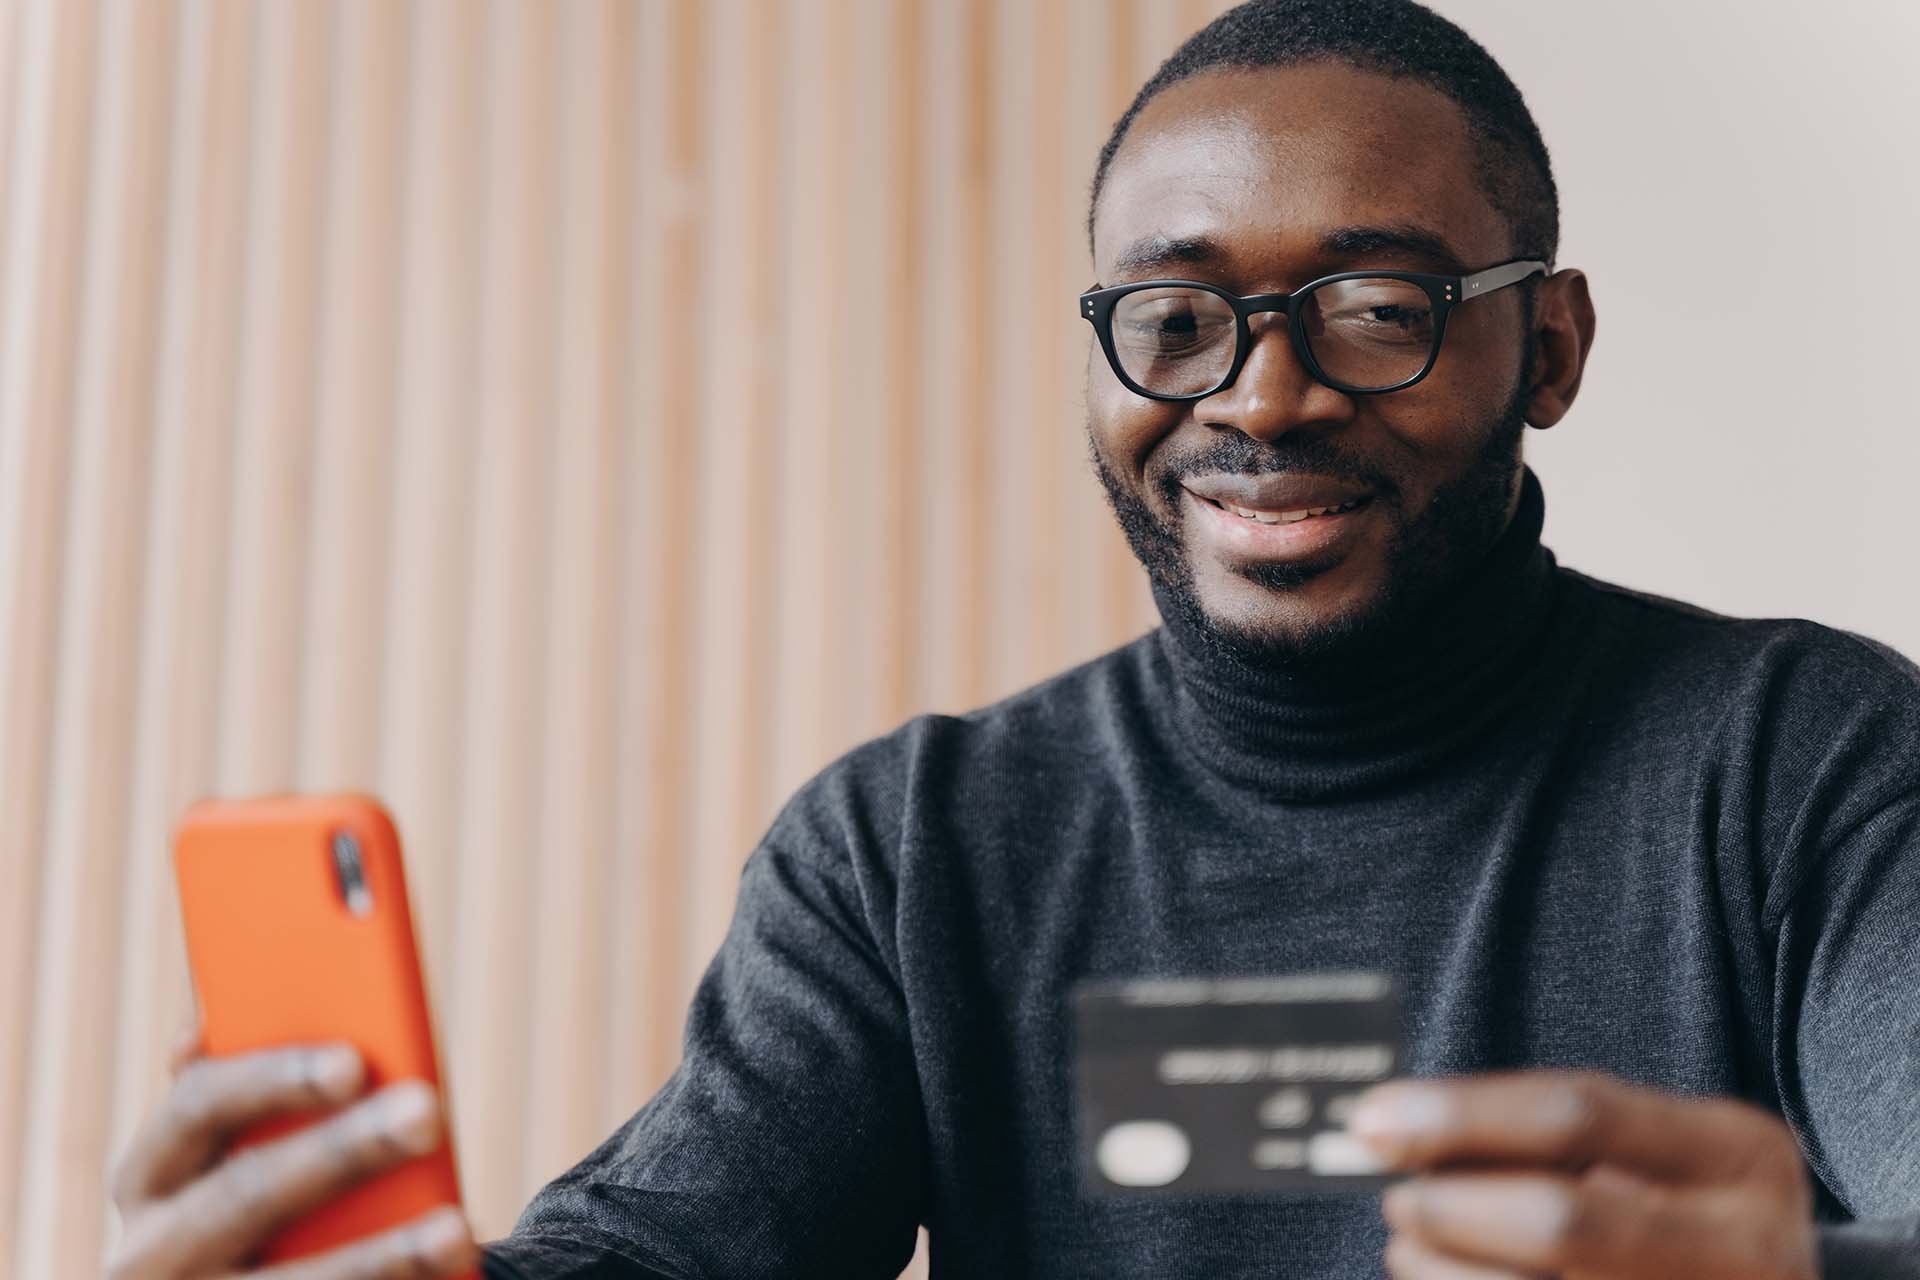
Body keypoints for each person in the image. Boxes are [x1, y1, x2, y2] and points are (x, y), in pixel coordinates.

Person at [109, 1, 1920, 1277]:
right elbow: (666, 1252)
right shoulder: (914, 844)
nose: (1264, 395)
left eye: (1376, 309)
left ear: (1553, 348)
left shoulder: (1810, 762)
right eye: (1175, 316)